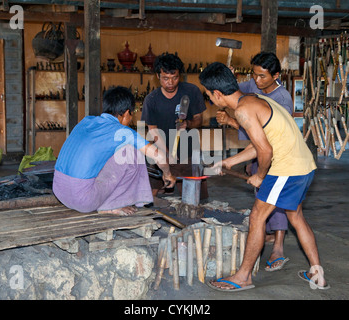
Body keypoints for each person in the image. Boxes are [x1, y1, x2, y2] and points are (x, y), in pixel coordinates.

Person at [199, 62, 329, 291]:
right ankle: (316, 271)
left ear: (217, 94)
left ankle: (243, 277)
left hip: (287, 168)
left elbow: (265, 151)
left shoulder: (242, 110)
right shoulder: (254, 99)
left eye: (209, 95)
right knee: (295, 216)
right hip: (304, 165)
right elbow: (260, 144)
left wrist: (260, 175)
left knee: (257, 217)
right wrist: (230, 161)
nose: (210, 99)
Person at [216, 52, 292, 272]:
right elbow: (234, 94)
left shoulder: (282, 99)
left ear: (276, 75)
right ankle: (267, 235)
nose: (257, 82)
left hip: (277, 154)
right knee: (261, 196)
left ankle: (278, 245)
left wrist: (231, 121)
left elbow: (269, 138)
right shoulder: (252, 85)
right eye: (254, 75)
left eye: (262, 77)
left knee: (276, 201)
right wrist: (228, 81)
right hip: (257, 151)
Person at [52, 86, 176, 216]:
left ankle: (107, 201)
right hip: (83, 200)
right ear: (127, 113)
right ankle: (111, 205)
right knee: (131, 151)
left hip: (60, 191)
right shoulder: (123, 132)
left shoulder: (86, 121)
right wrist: (167, 174)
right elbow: (159, 157)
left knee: (112, 152)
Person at [141, 53, 207, 198]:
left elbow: (199, 120)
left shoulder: (191, 91)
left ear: (180, 76)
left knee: (194, 198)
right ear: (158, 76)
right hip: (160, 151)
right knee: (149, 197)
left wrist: (188, 123)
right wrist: (166, 154)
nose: (170, 83)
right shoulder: (151, 100)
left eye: (174, 77)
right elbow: (153, 130)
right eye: (165, 78)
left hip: (188, 152)